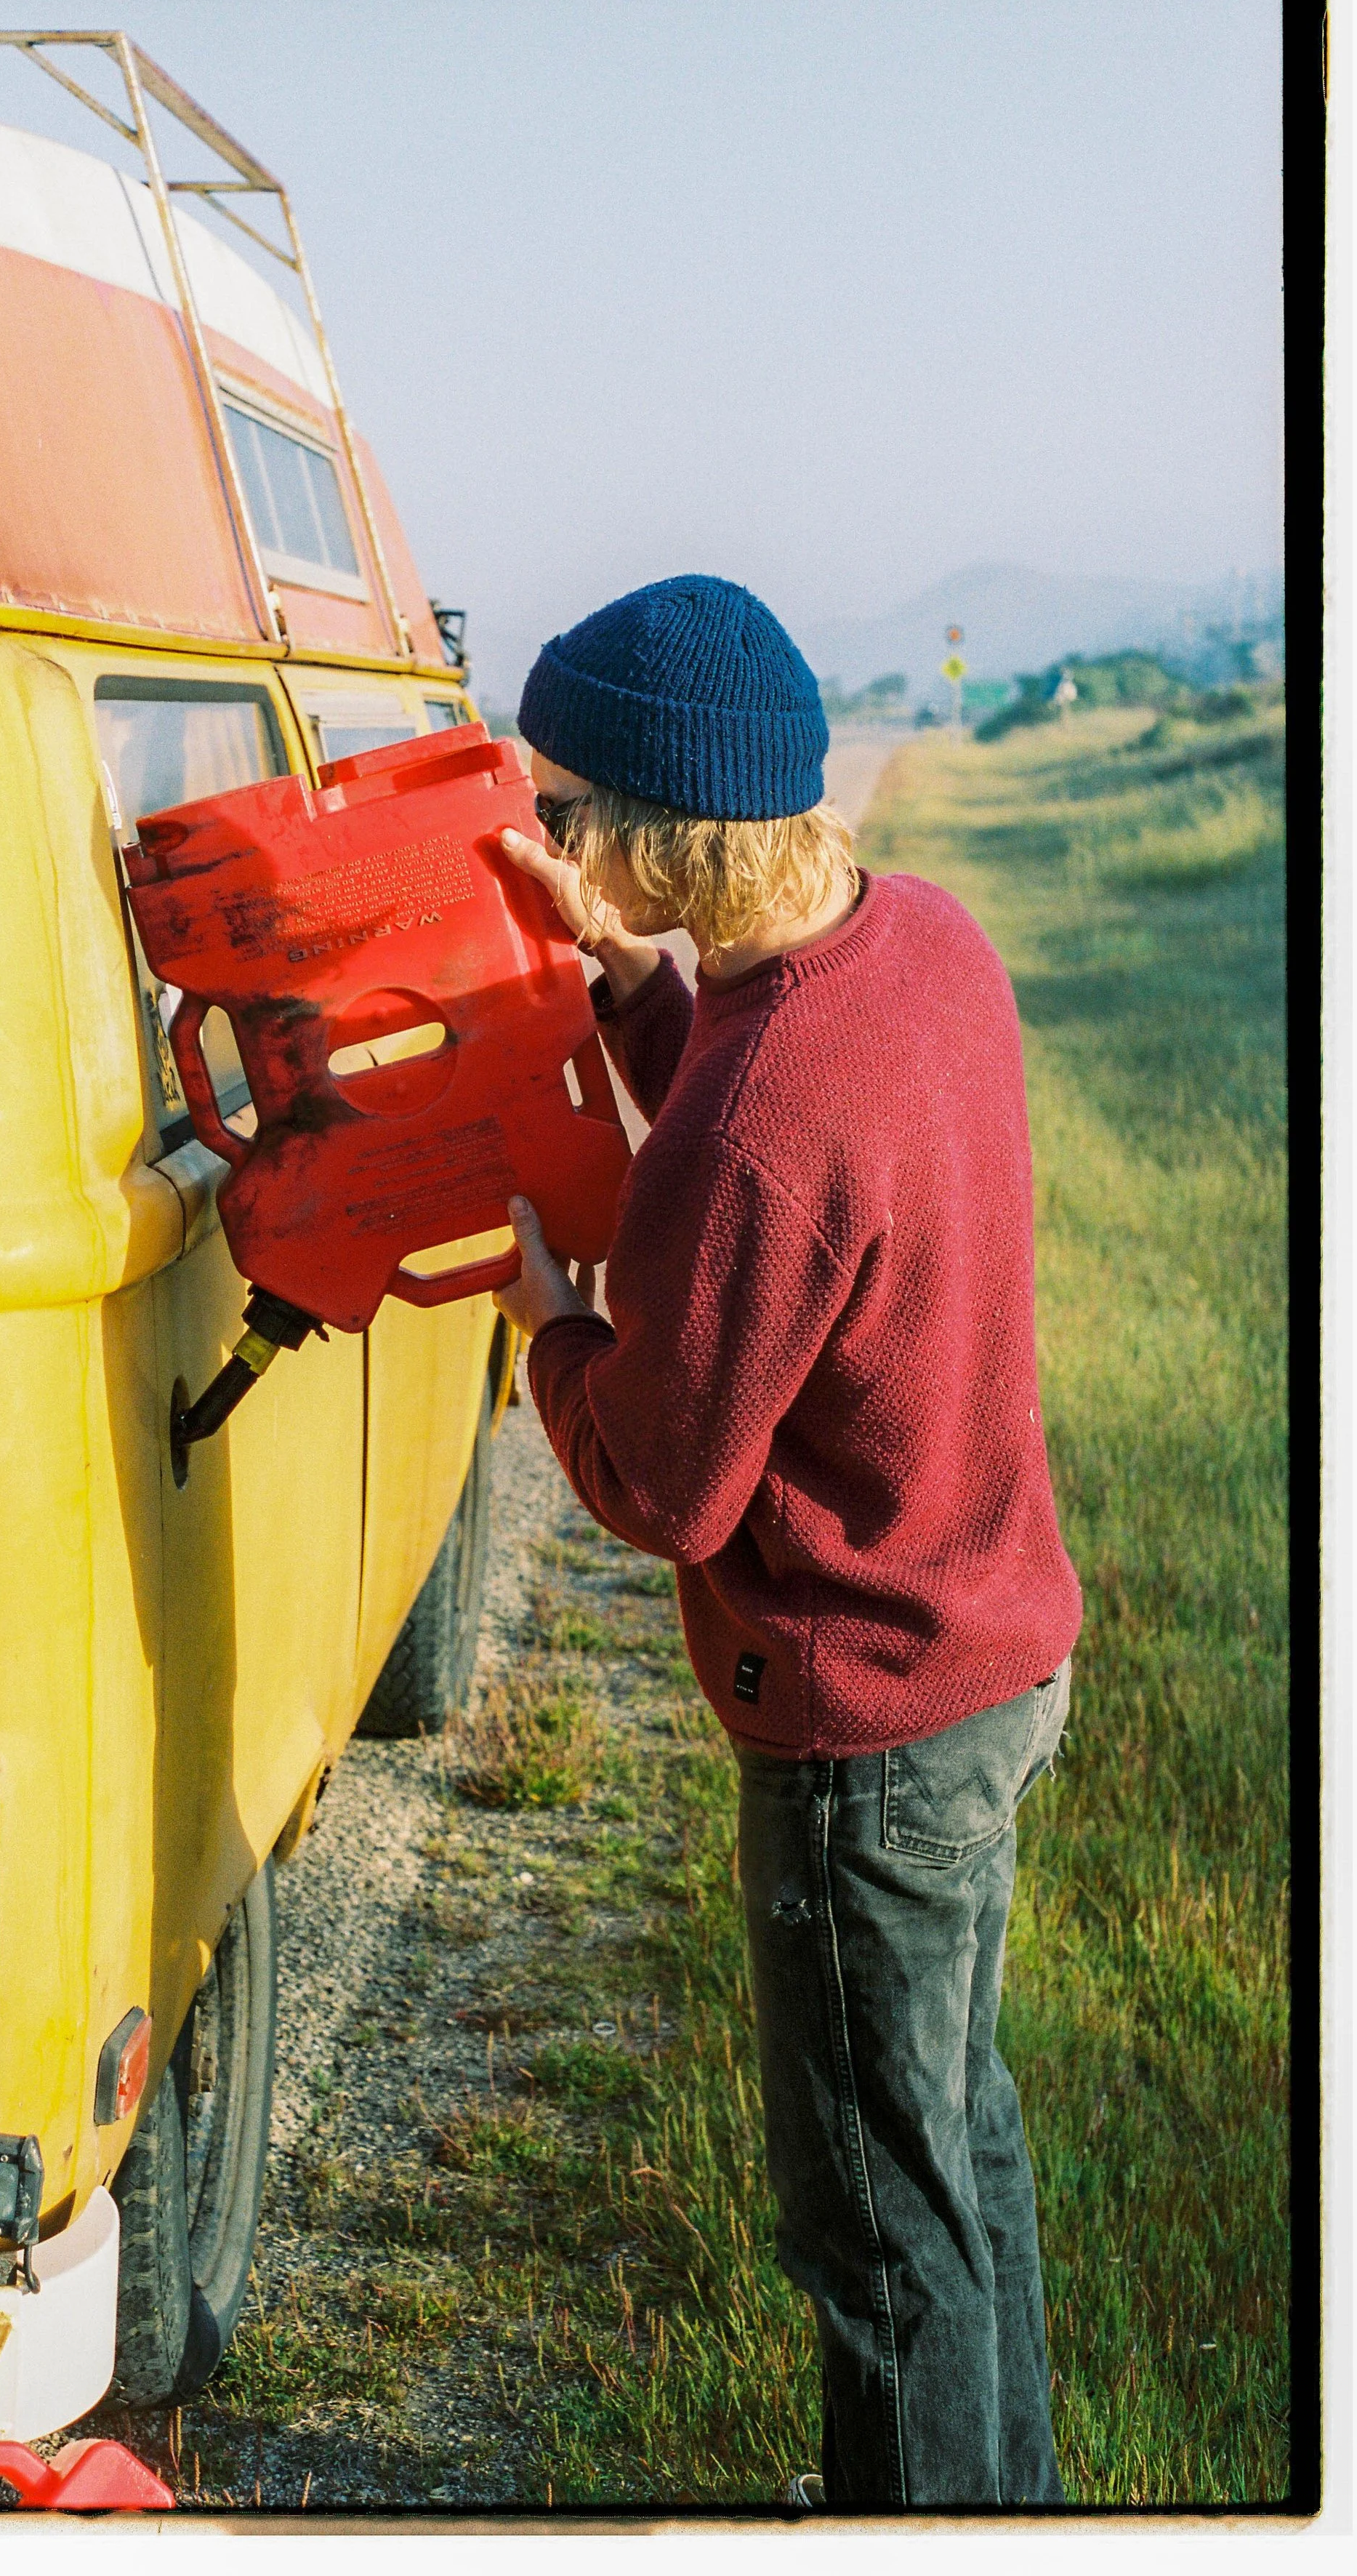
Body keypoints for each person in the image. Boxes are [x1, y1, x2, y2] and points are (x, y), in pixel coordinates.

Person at [491, 573, 1082, 2513]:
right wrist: (621, 992)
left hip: (866, 1736)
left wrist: (545, 1315)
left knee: (875, 2255)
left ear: (664, 826)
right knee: (955, 2150)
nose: (549, 838)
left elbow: (668, 1486)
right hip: (989, 1652)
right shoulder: (917, 945)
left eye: (565, 813)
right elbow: (784, 1153)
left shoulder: (752, 1124)